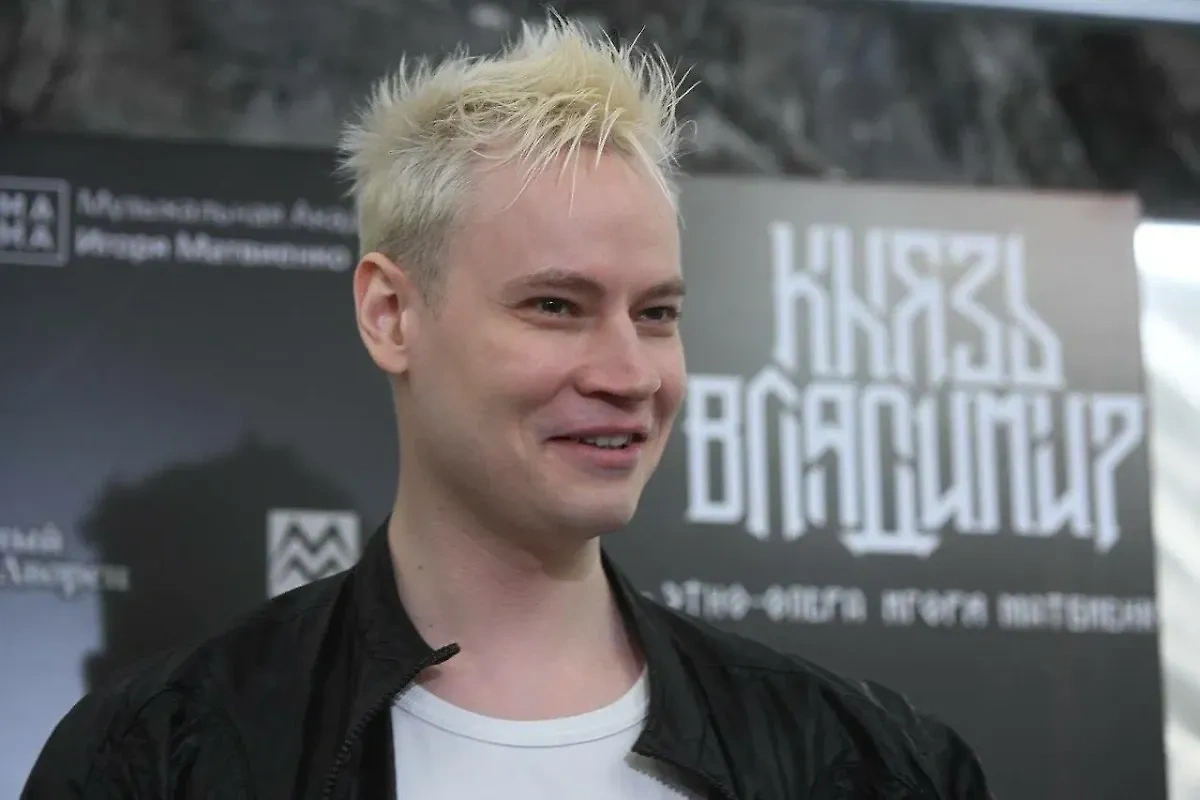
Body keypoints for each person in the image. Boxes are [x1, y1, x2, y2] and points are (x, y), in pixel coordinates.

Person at [23, 16, 993, 800]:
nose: (630, 372)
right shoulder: (161, 756)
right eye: (556, 306)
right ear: (391, 314)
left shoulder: (868, 761)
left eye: (656, 313)